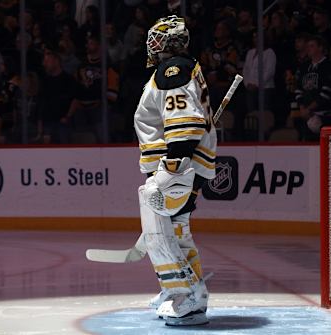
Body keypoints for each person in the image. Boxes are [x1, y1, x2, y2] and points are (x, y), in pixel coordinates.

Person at [134, 15, 215, 326]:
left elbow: (183, 123)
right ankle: (177, 289)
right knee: (176, 230)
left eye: (156, 39)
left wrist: (173, 167)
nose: (151, 44)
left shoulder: (174, 69)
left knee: (164, 229)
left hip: (179, 162)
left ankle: (188, 296)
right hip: (184, 163)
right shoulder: (180, 68)